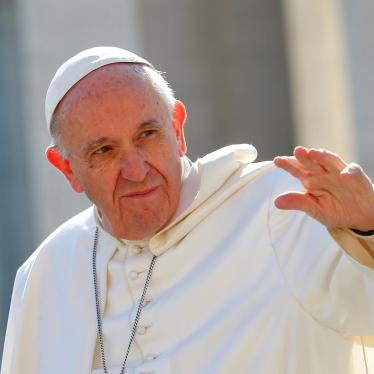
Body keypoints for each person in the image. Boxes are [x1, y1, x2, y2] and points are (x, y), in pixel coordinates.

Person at [1, 46, 374, 374]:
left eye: (147, 135)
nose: (136, 170)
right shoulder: (46, 274)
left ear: (177, 129)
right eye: (104, 151)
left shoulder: (283, 207)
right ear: (68, 169)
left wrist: (367, 227)